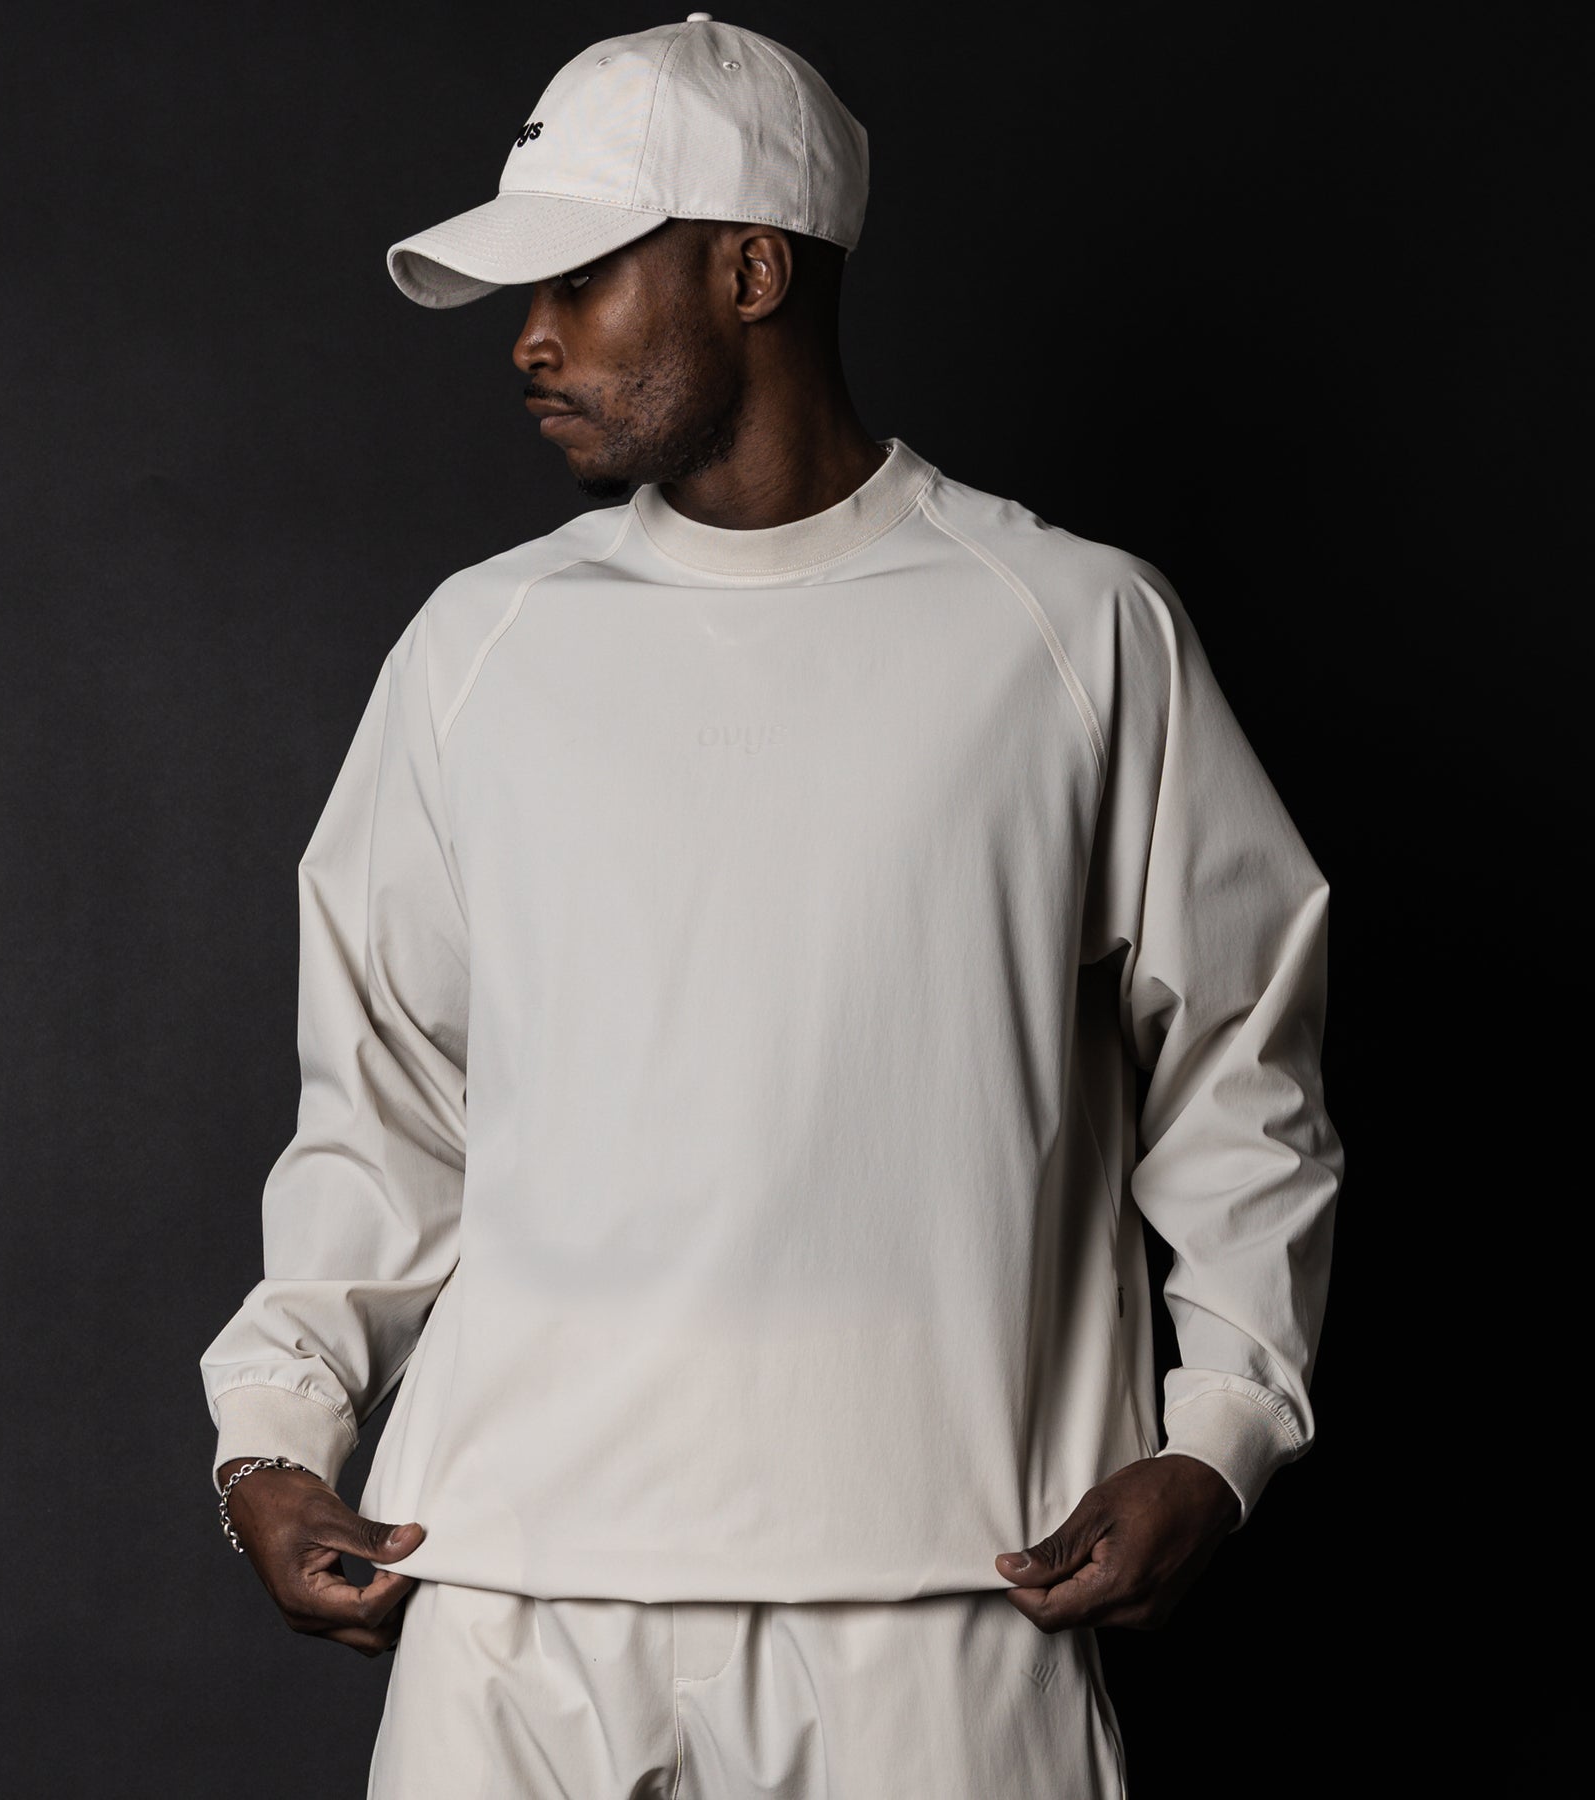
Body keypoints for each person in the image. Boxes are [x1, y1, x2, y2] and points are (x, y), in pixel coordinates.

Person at [200, 14, 1345, 1796]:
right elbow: (387, 1099)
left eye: (580, 278)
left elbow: (1238, 1061)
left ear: (752, 269)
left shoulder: (1069, 630)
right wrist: (274, 1438)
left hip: (945, 1594)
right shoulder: (477, 648)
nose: (531, 338)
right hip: (509, 1595)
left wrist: (1220, 1436)